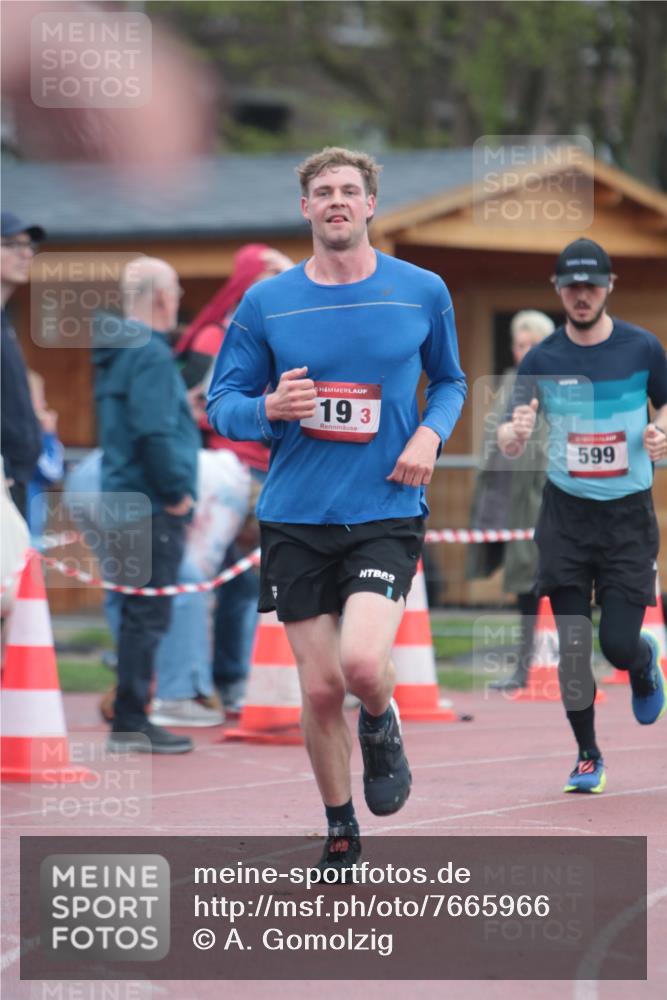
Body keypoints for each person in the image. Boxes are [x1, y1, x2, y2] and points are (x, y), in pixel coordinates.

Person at [207, 146, 466, 876]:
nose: (336, 202)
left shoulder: (421, 290)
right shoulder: (267, 302)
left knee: (359, 664)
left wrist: (427, 433)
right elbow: (222, 403)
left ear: (370, 204)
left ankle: (381, 722)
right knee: (318, 688)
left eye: (349, 191)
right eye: (323, 192)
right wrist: (267, 407)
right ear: (305, 209)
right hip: (294, 513)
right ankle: (340, 824)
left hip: (384, 505)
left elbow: (449, 380)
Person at [498, 237, 667, 794]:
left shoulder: (644, 348)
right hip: (566, 517)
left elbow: (665, 409)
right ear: (558, 291)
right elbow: (509, 432)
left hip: (626, 519)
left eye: (592, 284)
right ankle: (588, 755)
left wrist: (661, 432)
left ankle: (643, 663)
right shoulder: (543, 359)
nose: (582, 294)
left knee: (616, 645)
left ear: (609, 286)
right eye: (571, 285)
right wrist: (515, 435)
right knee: (573, 648)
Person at [176, 244, 294, 716]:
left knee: (255, 582)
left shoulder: (280, 331)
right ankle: (219, 681)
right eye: (268, 277)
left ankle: (239, 679)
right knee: (226, 579)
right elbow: (182, 405)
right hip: (226, 472)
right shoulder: (211, 338)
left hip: (271, 468)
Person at [92, 257, 200, 754]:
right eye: (175, 291)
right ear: (160, 297)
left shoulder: (120, 351)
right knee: (148, 614)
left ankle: (130, 714)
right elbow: (154, 432)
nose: (177, 300)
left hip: (121, 495)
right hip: (151, 502)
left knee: (136, 611)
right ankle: (133, 720)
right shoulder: (152, 356)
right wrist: (177, 492)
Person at [466, 310, 554, 690]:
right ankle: (525, 668)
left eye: (531, 344)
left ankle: (538, 667)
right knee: (524, 585)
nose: (523, 351)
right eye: (519, 344)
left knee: (542, 584)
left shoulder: (555, 386)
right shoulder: (510, 383)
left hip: (542, 500)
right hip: (508, 497)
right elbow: (496, 439)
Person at [1, 211, 44, 518]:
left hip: (15, 481)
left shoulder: (6, 323)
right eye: (12, 244)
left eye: (28, 245)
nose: (26, 253)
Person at [26, 371, 65, 543]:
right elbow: (53, 471)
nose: (45, 404)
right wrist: (49, 435)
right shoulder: (30, 437)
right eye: (40, 399)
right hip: (27, 526)